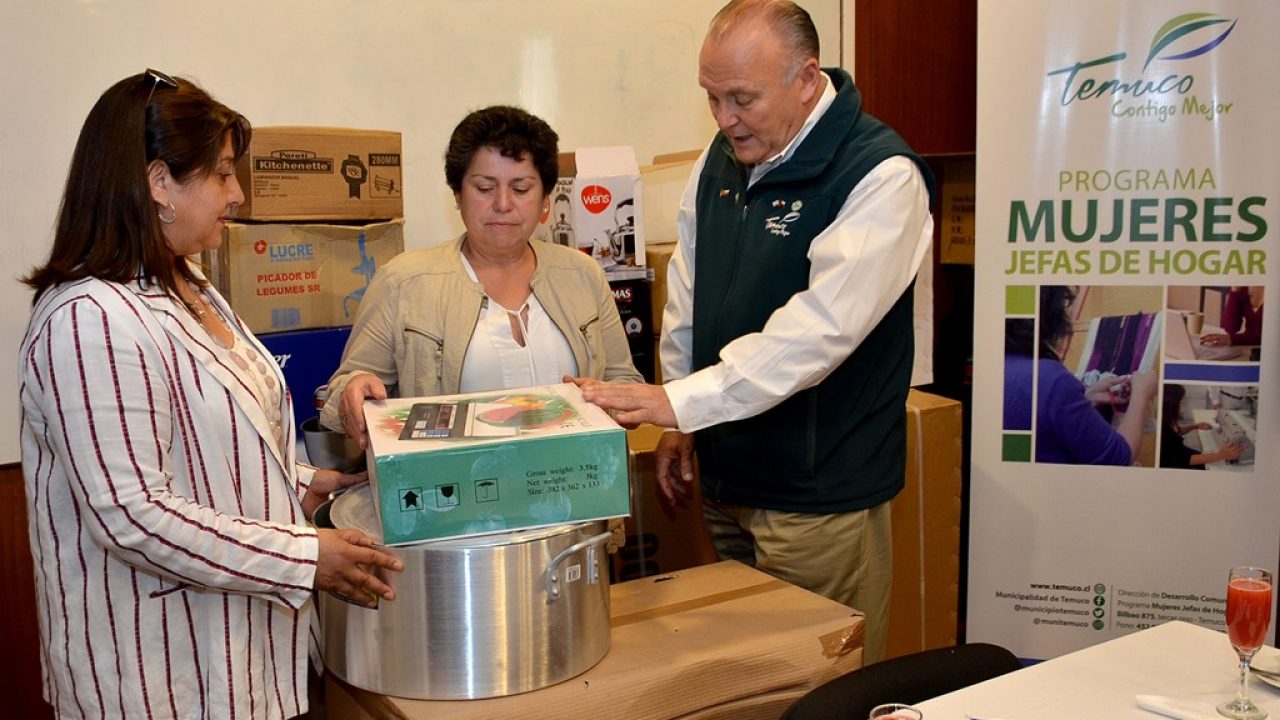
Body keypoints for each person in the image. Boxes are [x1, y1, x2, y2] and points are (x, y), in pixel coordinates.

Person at [18, 70, 403, 719]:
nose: (238, 193)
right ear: (159, 182)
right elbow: (132, 515)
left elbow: (213, 443)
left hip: (236, 655)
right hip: (155, 677)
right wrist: (304, 555)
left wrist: (303, 482)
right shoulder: (90, 319)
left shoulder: (190, 284)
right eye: (223, 174)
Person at [575, 0, 934, 663]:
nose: (723, 118)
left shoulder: (880, 175)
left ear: (806, 79)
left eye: (742, 98)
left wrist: (678, 402)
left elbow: (817, 335)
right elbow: (687, 291)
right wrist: (684, 421)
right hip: (727, 481)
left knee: (822, 681)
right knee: (752, 681)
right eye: (711, 97)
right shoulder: (720, 160)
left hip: (816, 497)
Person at [321, 105, 642, 443]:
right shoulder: (404, 282)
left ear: (546, 199)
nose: (503, 204)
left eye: (521, 189)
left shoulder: (582, 274)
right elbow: (343, 388)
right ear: (458, 194)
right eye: (485, 188)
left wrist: (600, 399)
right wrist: (354, 390)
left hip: (572, 471)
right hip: (450, 473)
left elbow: (626, 382)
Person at [1003, 286, 1158, 465]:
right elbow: (1118, 458)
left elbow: (1038, 417)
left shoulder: (998, 367)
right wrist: (1141, 394)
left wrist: (1085, 397)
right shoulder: (1049, 377)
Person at [1159, 384, 1244, 469]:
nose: (1184, 402)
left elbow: (1177, 432)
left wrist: (1195, 426)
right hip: (1174, 465)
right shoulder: (1164, 427)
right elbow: (1184, 459)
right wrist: (1221, 455)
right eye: (1182, 400)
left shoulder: (1168, 418)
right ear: (1172, 403)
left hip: (1180, 454)